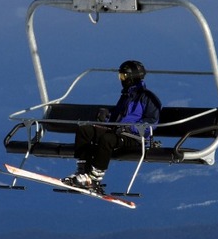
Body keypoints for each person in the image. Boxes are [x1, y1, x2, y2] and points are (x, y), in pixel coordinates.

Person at [63, 60, 161, 193]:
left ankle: (94, 178)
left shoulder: (148, 98)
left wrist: (130, 128)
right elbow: (118, 116)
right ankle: (82, 172)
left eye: (123, 76)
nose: (121, 79)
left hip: (134, 137)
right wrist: (107, 116)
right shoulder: (127, 96)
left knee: (107, 139)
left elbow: (152, 122)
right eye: (120, 76)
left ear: (132, 77)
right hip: (117, 131)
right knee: (84, 130)